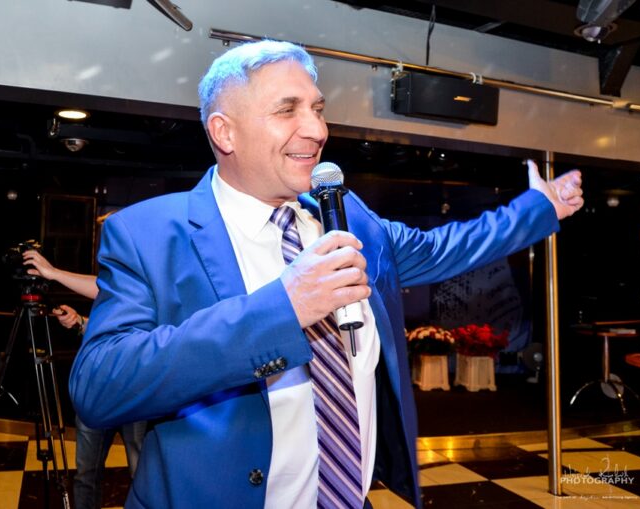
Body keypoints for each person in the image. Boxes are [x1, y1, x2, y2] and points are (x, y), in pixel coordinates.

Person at [69, 40, 583, 509]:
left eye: (317, 109)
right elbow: (99, 387)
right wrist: (282, 309)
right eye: (287, 110)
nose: (316, 131)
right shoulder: (150, 233)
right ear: (225, 132)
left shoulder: (347, 217)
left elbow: (442, 249)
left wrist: (540, 209)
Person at [23, 250, 147, 509]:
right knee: (85, 475)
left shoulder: (148, 280)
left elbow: (102, 288)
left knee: (142, 475)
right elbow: (105, 324)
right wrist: (80, 322)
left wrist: (53, 273)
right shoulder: (114, 279)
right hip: (98, 388)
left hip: (135, 390)